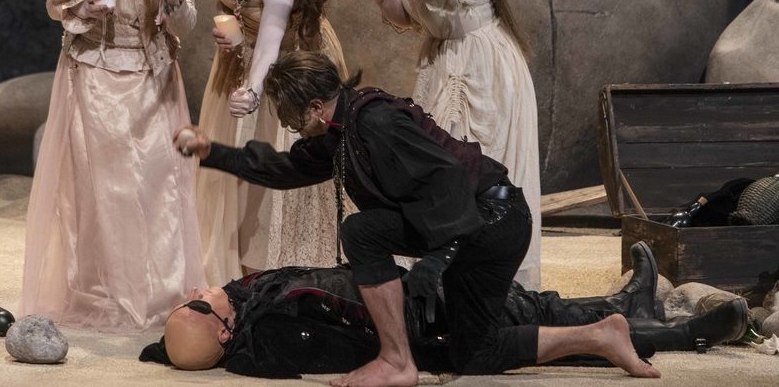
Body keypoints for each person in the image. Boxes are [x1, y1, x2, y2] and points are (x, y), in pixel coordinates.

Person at [176, 50, 659, 385]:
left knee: (362, 231)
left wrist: (437, 259)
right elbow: (288, 168)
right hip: (472, 223)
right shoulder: (342, 132)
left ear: (316, 106)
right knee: (474, 354)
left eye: (291, 117)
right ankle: (602, 333)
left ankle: (396, 360)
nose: (289, 127)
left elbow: (449, 179)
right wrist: (212, 152)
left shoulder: (376, 122)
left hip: (492, 219)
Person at [20, 0, 205, 329]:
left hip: (149, 81)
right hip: (91, 76)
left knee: (153, 187)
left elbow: (185, 27)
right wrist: (81, 7)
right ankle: (100, 290)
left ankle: (154, 292)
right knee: (96, 191)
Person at [335, 0, 542, 289]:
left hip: (481, 70)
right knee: (441, 168)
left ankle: (487, 280)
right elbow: (411, 13)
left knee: (475, 164)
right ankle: (447, 277)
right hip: (445, 61)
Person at [143, 241, 749, 377]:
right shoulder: (272, 326)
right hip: (426, 324)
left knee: (527, 305)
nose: (195, 293)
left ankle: (628, 306)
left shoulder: (252, 305)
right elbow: (354, 332)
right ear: (225, 331)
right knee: (525, 321)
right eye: (195, 305)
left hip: (416, 305)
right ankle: (679, 334)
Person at [195, 0, 349, 286]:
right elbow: (232, 6)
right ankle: (234, 266)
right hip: (238, 59)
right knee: (229, 167)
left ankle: (274, 271)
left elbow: (271, 40)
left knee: (276, 175)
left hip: (288, 68)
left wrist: (253, 88)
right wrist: (230, 35)